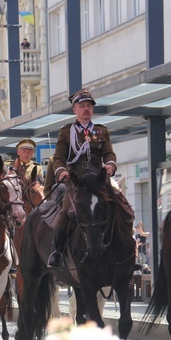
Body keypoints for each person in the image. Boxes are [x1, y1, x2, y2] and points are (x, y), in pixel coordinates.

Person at [47, 88, 118, 268]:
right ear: (75, 110)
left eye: (89, 106)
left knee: (122, 206)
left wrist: (110, 165)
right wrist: (61, 172)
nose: (86, 109)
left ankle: (126, 247)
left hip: (99, 180)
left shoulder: (101, 131)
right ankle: (58, 250)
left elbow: (109, 154)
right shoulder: (66, 132)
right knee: (66, 211)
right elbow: (59, 158)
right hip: (77, 181)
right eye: (82, 106)